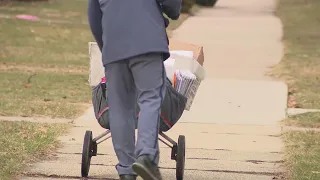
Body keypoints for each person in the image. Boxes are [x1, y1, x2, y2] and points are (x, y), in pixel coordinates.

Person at [87, 0, 182, 179]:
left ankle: (126, 169)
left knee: (119, 107)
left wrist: (106, 47)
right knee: (150, 98)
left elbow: (94, 17)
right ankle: (146, 155)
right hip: (147, 43)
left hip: (114, 48)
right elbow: (171, 3)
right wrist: (174, 11)